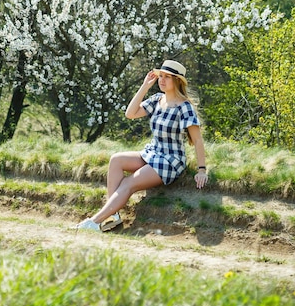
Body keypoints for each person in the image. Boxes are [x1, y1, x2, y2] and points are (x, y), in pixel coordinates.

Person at [76, 60, 208, 232]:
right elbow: (130, 114)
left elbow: (197, 140)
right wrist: (145, 86)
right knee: (116, 160)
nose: (162, 80)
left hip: (170, 161)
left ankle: (94, 222)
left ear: (177, 80)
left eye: (167, 77)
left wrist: (202, 170)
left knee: (128, 184)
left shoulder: (185, 107)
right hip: (153, 153)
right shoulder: (157, 100)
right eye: (161, 76)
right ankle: (113, 216)